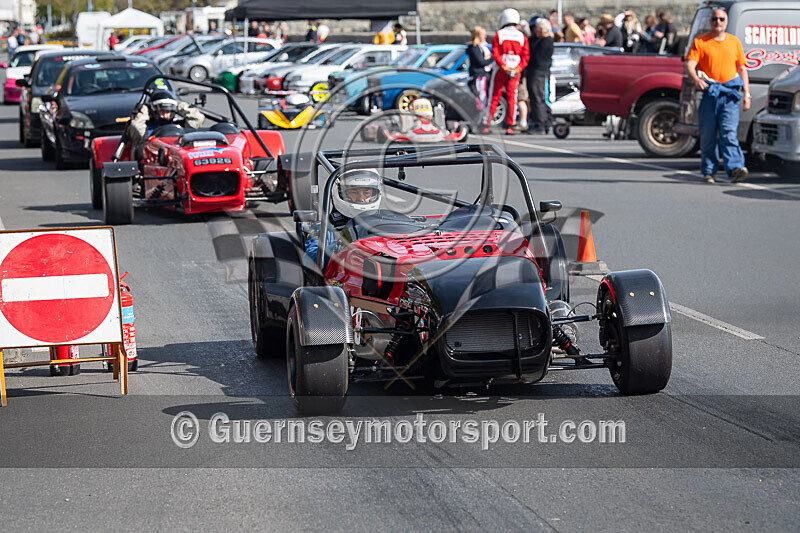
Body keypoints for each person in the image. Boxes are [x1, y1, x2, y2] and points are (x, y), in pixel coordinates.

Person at [685, 7, 750, 184]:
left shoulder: (734, 42)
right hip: (710, 94)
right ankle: (708, 172)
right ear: (710, 21)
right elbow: (690, 64)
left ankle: (735, 168)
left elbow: (742, 69)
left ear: (726, 22)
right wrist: (696, 78)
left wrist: (747, 94)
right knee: (707, 135)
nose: (718, 23)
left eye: (721, 19)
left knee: (729, 133)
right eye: (714, 19)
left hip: (729, 95)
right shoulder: (701, 42)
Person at [304, 169, 383, 262]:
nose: (361, 199)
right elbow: (309, 259)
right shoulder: (325, 227)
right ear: (341, 193)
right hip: (341, 274)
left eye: (366, 193)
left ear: (373, 194)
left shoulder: (382, 224)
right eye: (354, 192)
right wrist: (338, 245)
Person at [483, 8, 529, 136]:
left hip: (501, 70)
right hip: (515, 70)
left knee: (494, 96)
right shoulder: (522, 37)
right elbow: (526, 56)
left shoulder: (499, 35)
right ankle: (510, 125)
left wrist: (504, 67)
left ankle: (486, 123)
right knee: (512, 98)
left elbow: (495, 53)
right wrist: (517, 68)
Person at [127, 89, 205, 155]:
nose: (165, 115)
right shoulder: (146, 129)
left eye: (168, 111)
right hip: (152, 159)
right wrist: (145, 110)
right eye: (162, 111)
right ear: (153, 110)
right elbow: (136, 126)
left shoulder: (178, 126)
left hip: (175, 156)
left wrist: (179, 106)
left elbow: (198, 119)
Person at [527, 18, 554, 134]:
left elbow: (536, 57)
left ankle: (540, 124)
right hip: (539, 72)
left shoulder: (545, 41)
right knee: (539, 98)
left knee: (537, 98)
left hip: (538, 72)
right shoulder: (543, 40)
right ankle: (546, 122)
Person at [466, 26, 492, 109]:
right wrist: (493, 58)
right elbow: (481, 62)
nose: (485, 36)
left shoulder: (481, 47)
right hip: (478, 75)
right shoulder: (475, 48)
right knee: (480, 96)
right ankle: (480, 114)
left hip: (481, 74)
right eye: (482, 34)